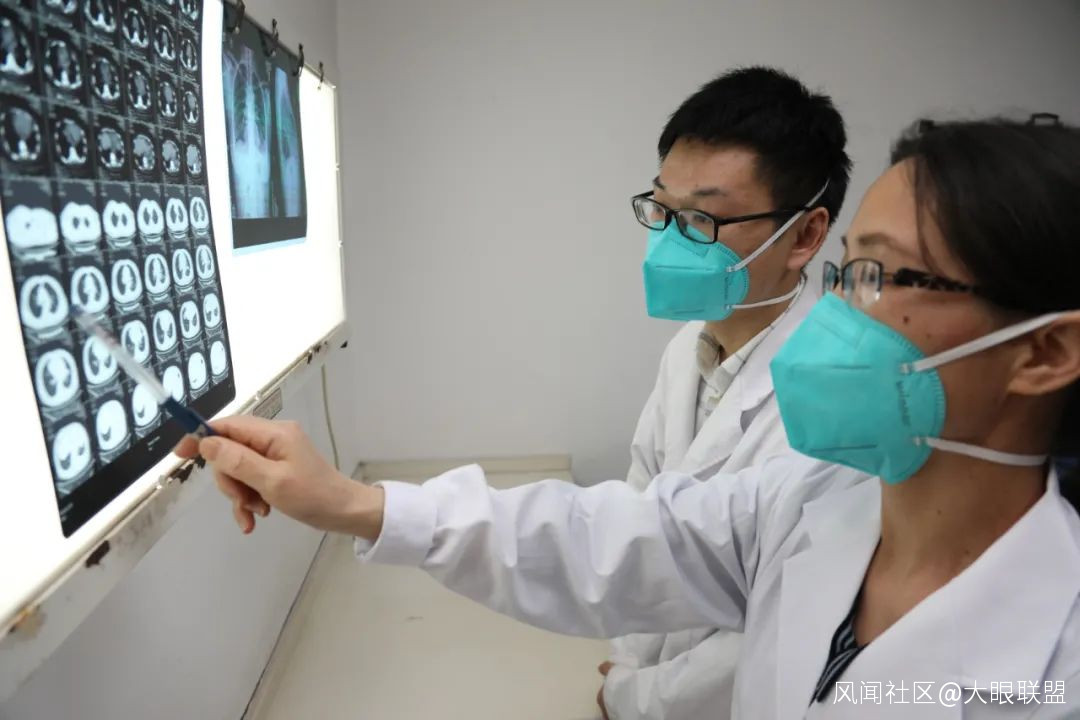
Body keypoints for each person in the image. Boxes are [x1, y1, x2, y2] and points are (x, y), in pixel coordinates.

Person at [180, 117, 1080, 718]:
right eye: (845, 272)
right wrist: (355, 505)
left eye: (880, 277)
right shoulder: (808, 505)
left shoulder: (1057, 669)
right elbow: (610, 537)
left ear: (1044, 351)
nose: (838, 311)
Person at [613, 66, 850, 719]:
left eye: (701, 219)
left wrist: (634, 697)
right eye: (662, 209)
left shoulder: (840, 402)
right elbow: (636, 522)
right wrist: (628, 667)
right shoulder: (688, 348)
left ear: (805, 235)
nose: (669, 241)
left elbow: (781, 630)